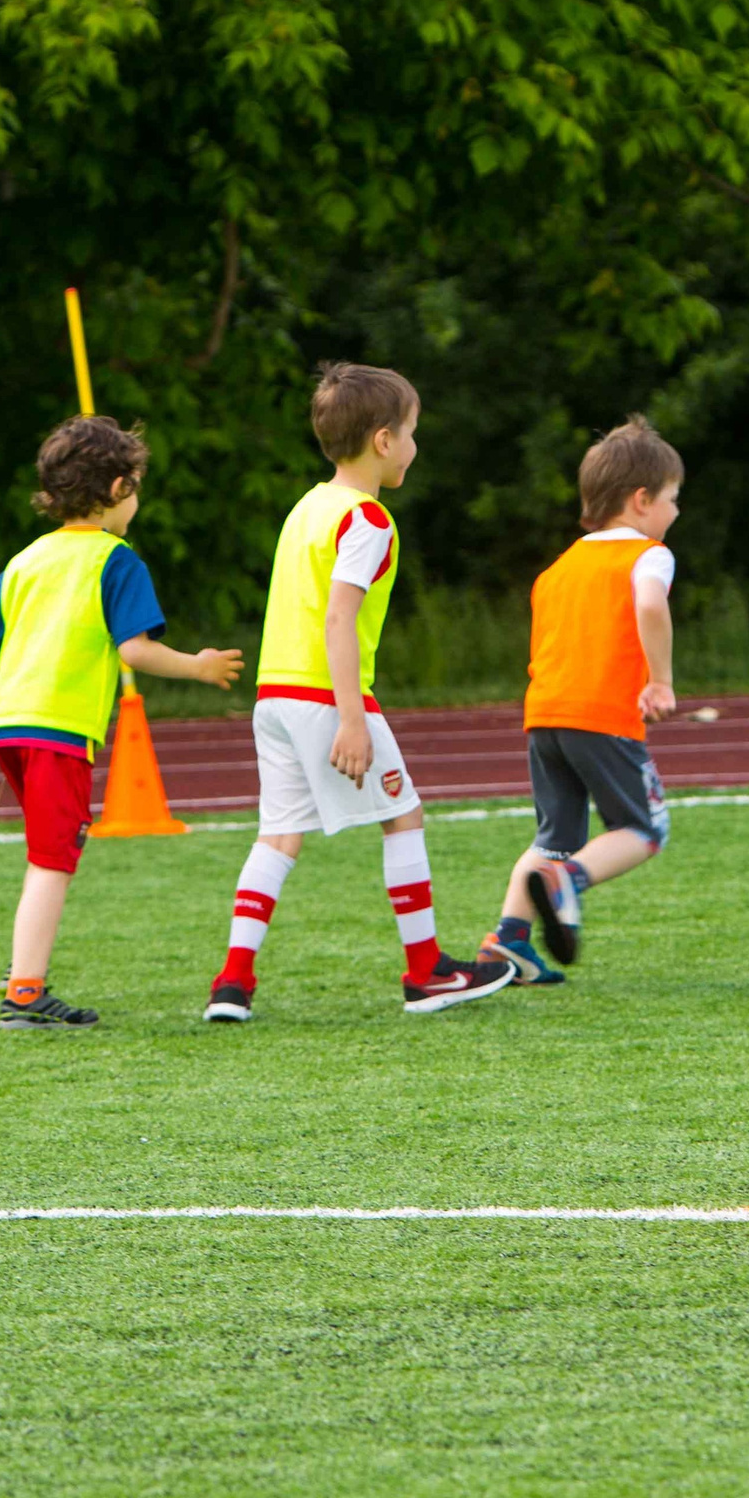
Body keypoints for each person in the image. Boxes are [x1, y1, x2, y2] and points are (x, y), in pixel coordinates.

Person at [204, 363, 517, 1022]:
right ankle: (427, 970)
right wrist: (351, 718)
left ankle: (232, 982)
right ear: (382, 440)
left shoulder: (307, 507)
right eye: (410, 433)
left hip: (274, 698)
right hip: (326, 697)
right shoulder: (366, 518)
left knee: (280, 835)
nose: (413, 446)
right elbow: (339, 617)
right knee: (403, 817)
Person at [0, 414, 243, 1029]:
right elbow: (135, 650)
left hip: (9, 727)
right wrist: (199, 666)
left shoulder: (28, 559)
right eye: (136, 486)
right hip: (57, 732)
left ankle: (24, 966)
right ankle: (24, 994)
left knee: (45, 854)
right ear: (117, 489)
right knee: (54, 859)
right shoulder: (116, 559)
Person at [479, 417, 682, 983]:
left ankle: (507, 943)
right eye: (672, 499)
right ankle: (565, 885)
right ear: (641, 501)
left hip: (544, 716)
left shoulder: (558, 569)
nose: (675, 512)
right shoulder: (648, 554)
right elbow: (648, 605)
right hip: (605, 717)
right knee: (643, 831)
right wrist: (660, 679)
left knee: (555, 840)